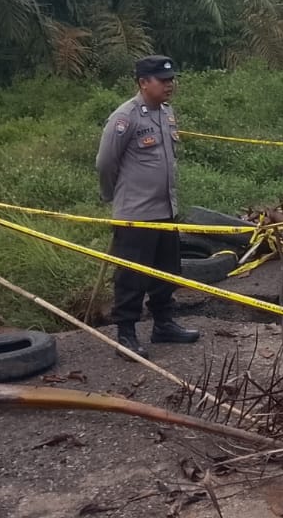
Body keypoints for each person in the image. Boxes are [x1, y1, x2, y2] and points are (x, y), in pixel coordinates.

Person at [96, 55, 200, 359]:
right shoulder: (125, 117)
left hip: (165, 209)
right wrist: (112, 196)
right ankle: (126, 335)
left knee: (167, 271)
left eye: (171, 80)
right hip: (136, 214)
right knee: (131, 276)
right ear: (143, 82)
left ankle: (163, 324)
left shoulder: (166, 113)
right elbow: (105, 163)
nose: (170, 85)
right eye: (163, 80)